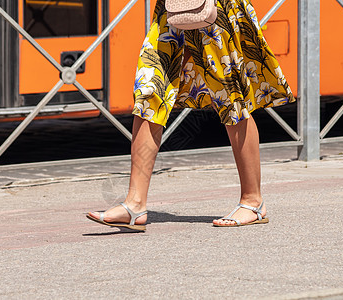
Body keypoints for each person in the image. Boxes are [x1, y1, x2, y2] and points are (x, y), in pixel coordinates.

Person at [87, 0, 295, 231]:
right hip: (173, 8)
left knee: (231, 98)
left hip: (216, 9)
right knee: (149, 92)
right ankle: (134, 205)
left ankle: (252, 202)